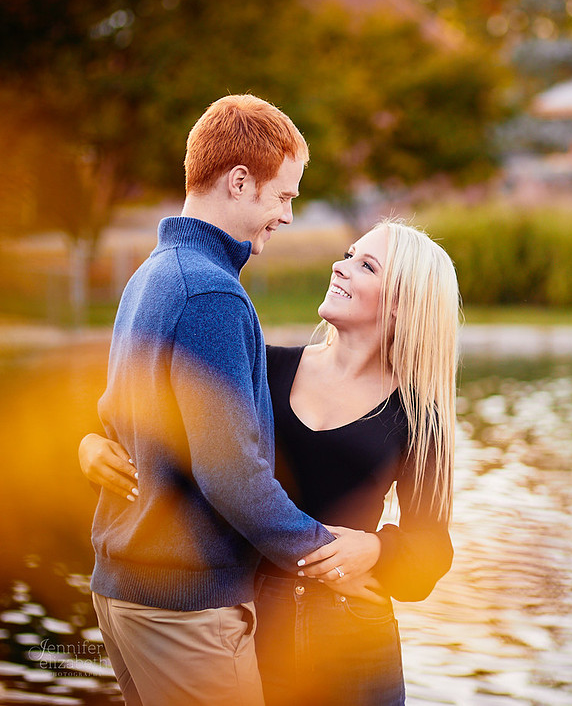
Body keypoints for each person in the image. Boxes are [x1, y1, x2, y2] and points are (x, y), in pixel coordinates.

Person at [81, 219, 459, 706]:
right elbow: (158, 421)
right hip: (251, 624)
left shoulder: (420, 418)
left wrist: (379, 549)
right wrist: (89, 443)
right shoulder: (267, 365)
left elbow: (432, 549)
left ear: (404, 305)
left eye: (364, 265)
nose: (338, 267)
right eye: (347, 254)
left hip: (356, 643)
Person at [84, 94, 339, 706]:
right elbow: (231, 473)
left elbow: (115, 418)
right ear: (240, 181)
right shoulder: (210, 294)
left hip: (128, 593)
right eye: (283, 196)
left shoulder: (154, 273)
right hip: (185, 609)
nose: (287, 216)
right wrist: (324, 554)